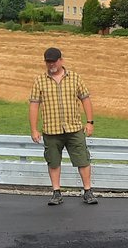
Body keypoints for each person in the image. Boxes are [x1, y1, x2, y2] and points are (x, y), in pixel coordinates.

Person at [29, 47, 98, 205]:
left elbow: (85, 99)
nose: (51, 65)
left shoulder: (74, 78)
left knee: (83, 159)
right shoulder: (39, 80)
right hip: (51, 129)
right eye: (48, 62)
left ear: (61, 60)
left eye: (54, 61)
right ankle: (56, 192)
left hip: (74, 128)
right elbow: (34, 105)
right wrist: (34, 129)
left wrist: (90, 122)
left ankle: (88, 191)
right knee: (53, 161)